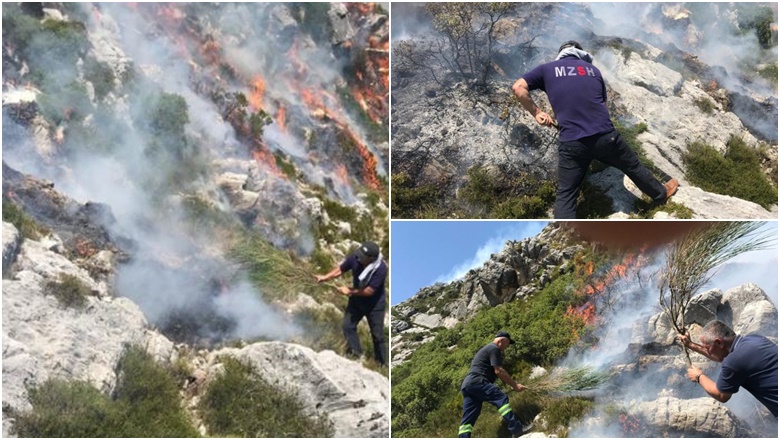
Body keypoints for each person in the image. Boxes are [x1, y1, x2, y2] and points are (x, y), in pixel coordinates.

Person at [512, 40, 678, 219]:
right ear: (580, 54)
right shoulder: (594, 71)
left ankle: (566, 227)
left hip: (572, 142)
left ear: (561, 54)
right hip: (605, 137)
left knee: (566, 193)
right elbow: (603, 107)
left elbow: (518, 87)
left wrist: (537, 112)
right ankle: (660, 194)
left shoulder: (547, 69)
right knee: (633, 166)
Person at [680, 320, 777, 418]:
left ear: (719, 342)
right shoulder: (755, 339)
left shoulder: (733, 361)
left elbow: (721, 395)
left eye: (708, 347)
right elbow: (721, 357)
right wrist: (691, 345)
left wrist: (698, 377)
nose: (708, 352)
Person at [315, 241, 388, 365]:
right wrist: (325, 277)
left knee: (378, 336)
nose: (359, 258)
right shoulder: (355, 257)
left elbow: (369, 291)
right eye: (359, 254)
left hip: (375, 305)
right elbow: (341, 269)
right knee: (348, 326)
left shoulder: (381, 268)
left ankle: (382, 363)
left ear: (371, 259)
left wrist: (349, 290)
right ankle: (356, 354)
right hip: (357, 301)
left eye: (363, 257)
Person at [458, 331, 532, 438]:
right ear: (501, 341)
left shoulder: (487, 349)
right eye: (507, 343)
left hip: (467, 385)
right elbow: (499, 371)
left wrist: (510, 384)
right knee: (501, 398)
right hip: (478, 381)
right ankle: (517, 429)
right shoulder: (494, 349)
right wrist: (515, 386)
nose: (507, 347)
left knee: (469, 417)